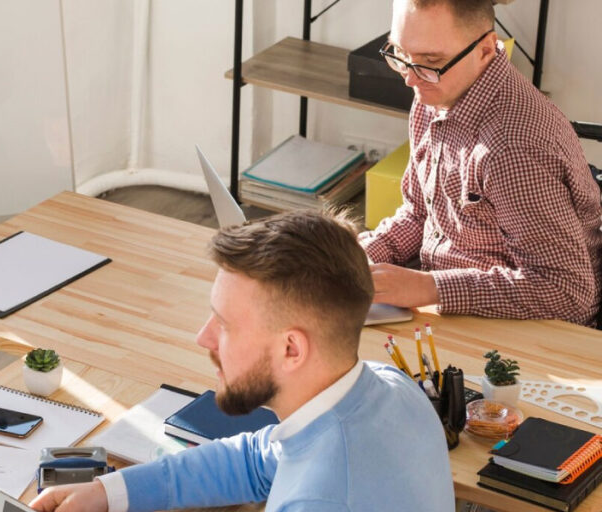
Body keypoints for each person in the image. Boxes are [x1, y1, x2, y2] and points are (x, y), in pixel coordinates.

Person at [30, 210, 454, 512]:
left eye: (225, 324)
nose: (203, 337)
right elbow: (257, 460)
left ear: (292, 349)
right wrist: (109, 491)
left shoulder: (319, 500)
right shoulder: (391, 386)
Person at [360, 0, 602, 326]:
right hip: (447, 299)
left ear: (486, 49)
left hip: (530, 327)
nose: (410, 81)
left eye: (431, 61)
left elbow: (566, 293)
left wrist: (430, 288)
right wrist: (361, 259)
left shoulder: (512, 147)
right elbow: (420, 213)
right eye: (400, 55)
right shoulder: (436, 92)